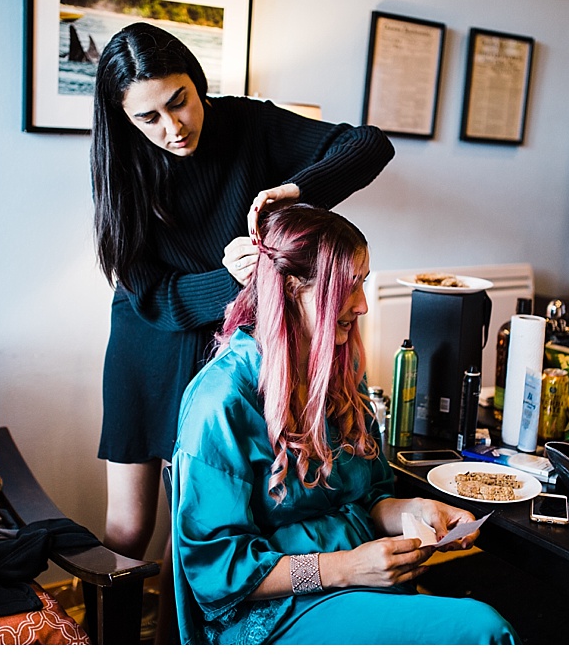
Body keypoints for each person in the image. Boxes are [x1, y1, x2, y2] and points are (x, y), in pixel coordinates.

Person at [90, 22, 394, 642]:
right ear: (124, 120)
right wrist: (226, 280)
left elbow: (370, 145)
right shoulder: (121, 162)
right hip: (149, 341)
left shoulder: (248, 125)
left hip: (226, 340)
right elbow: (148, 293)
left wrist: (299, 190)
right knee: (128, 528)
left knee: (196, 524)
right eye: (148, 117)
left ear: (197, 83)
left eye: (179, 100)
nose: (172, 128)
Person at [170, 205, 518, 645]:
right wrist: (344, 568)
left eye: (364, 283)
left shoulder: (341, 365)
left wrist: (414, 511)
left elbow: (369, 496)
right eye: (347, 288)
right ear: (291, 288)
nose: (364, 304)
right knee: (483, 629)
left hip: (359, 582)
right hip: (272, 613)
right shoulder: (221, 401)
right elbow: (219, 570)